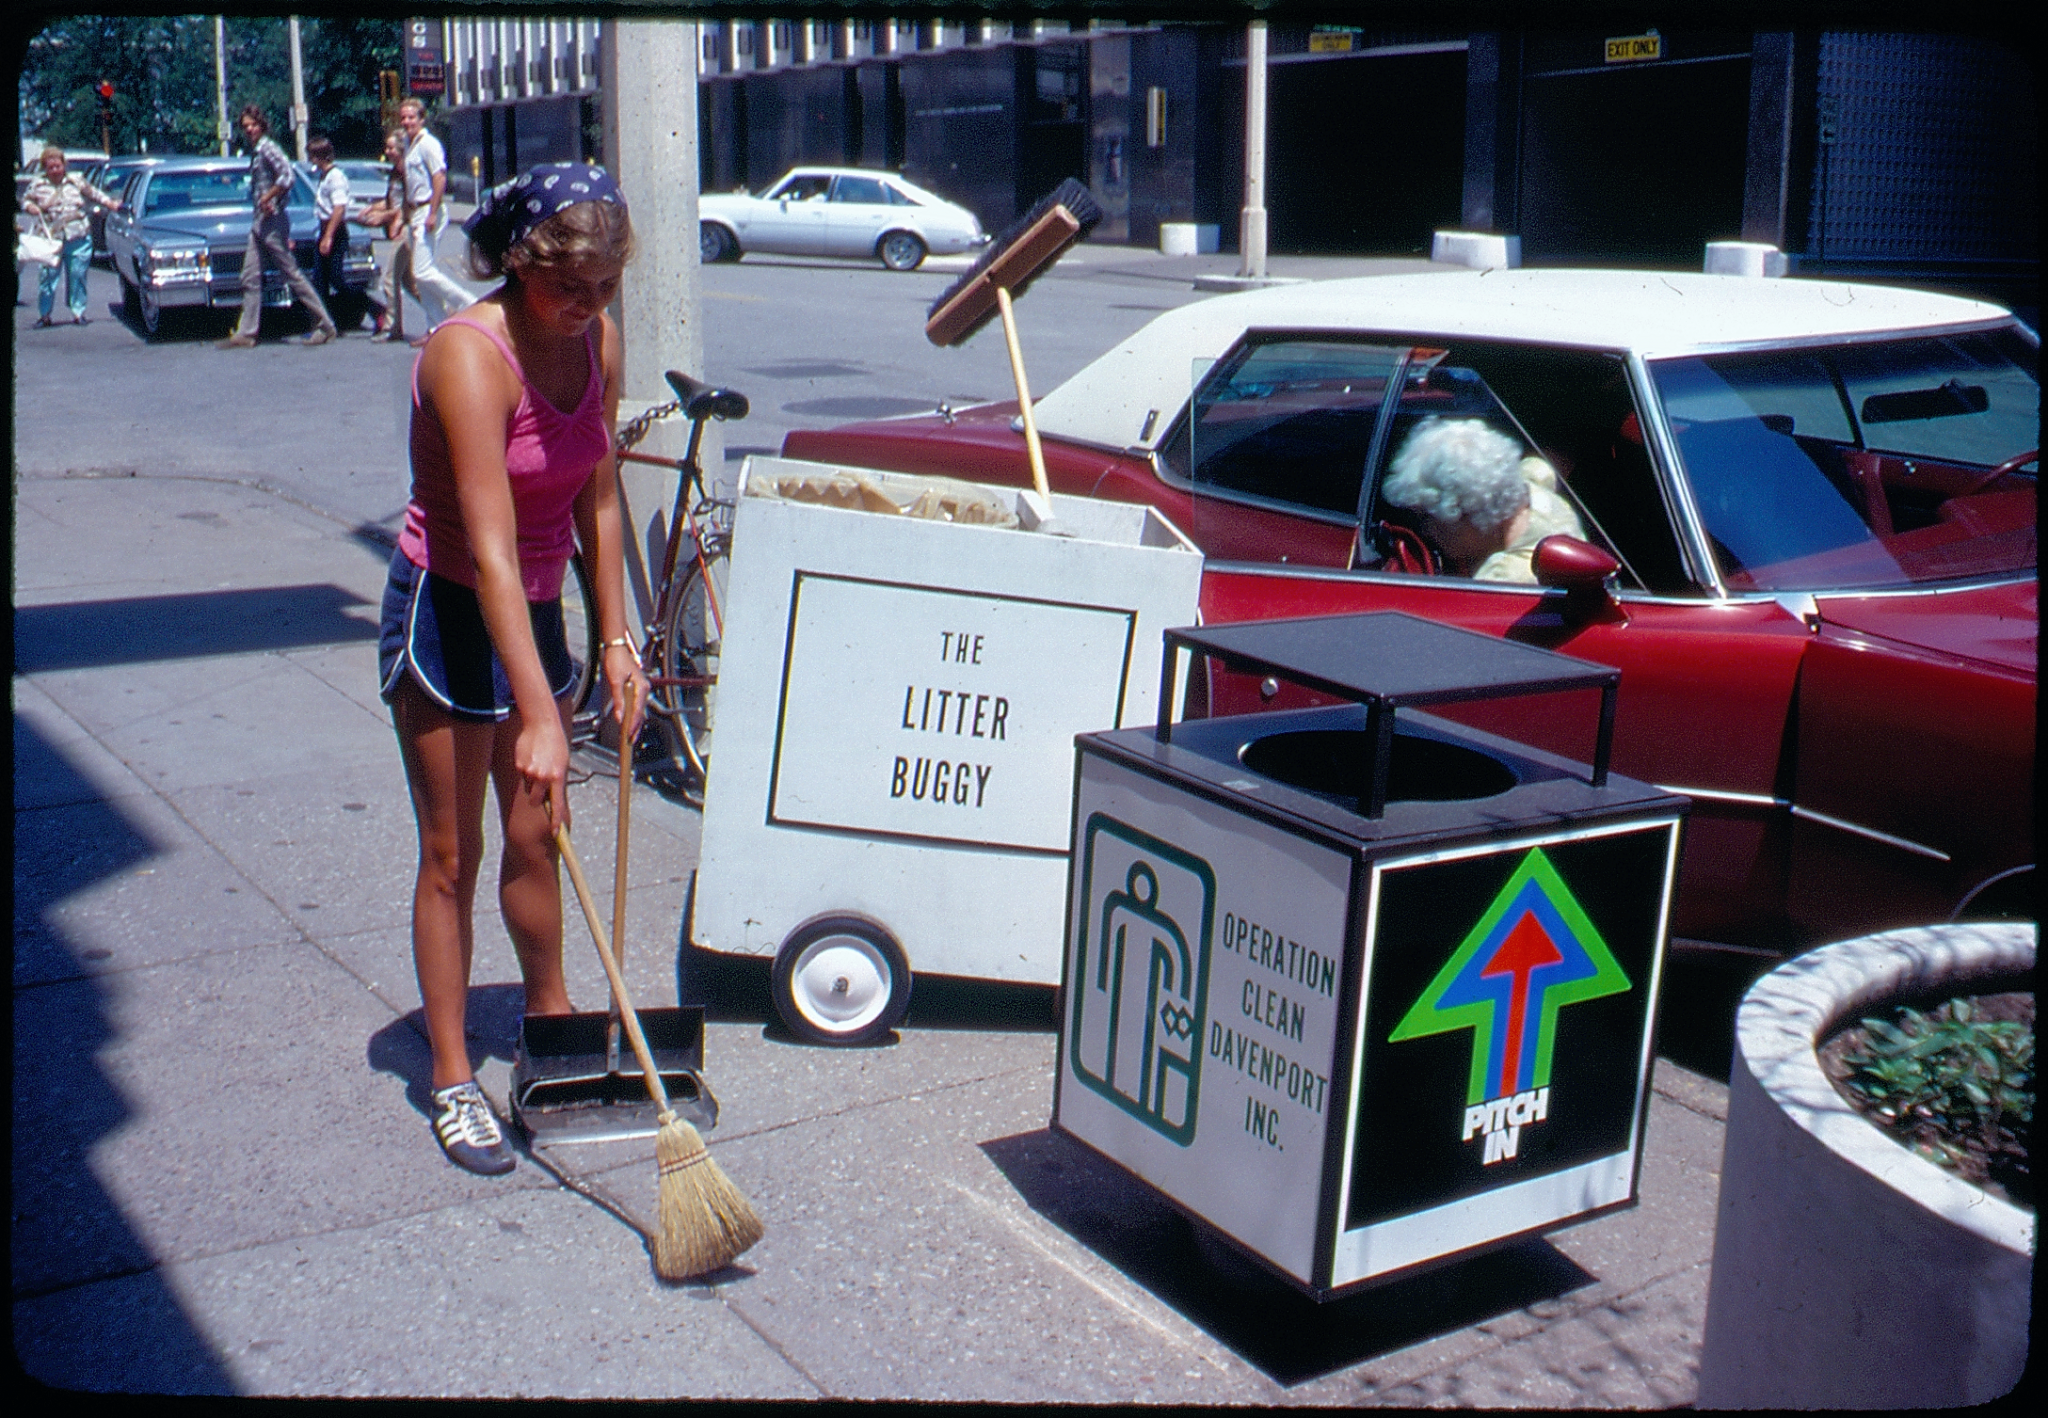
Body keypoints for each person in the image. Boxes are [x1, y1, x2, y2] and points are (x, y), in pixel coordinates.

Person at [378, 162, 647, 1174]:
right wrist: (539, 711)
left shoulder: (598, 340)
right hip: (450, 606)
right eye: (570, 287)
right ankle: (452, 1076)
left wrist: (615, 640)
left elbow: (599, 496)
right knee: (453, 853)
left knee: (541, 836)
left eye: (605, 287)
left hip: (533, 607)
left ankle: (552, 1025)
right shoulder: (467, 356)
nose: (588, 307)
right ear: (523, 265)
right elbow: (490, 551)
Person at [1378, 416, 1587, 583]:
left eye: (1429, 518)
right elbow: (1540, 466)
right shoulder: (1532, 488)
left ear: (1470, 513)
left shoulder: (1504, 579)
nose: (1426, 531)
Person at [217, 105, 337, 349]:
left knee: (291, 273)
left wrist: (269, 197)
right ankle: (246, 332)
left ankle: (325, 325)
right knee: (249, 276)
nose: (250, 129)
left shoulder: (268, 148)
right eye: (246, 126)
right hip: (259, 222)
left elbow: (287, 176)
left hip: (273, 222)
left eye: (254, 125)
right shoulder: (256, 151)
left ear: (262, 125)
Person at [397, 97, 476, 344]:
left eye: (411, 117)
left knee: (422, 270)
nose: (407, 122)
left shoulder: (428, 144)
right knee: (420, 275)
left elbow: (439, 177)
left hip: (428, 209)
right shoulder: (409, 144)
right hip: (415, 211)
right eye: (403, 118)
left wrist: (432, 213)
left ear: (421, 119)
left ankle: (468, 303)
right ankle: (436, 327)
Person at [20, 147, 122, 327]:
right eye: (50, 167)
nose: (55, 170)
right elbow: (25, 200)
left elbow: (94, 193)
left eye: (58, 166)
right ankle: (45, 315)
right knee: (48, 277)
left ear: (64, 165)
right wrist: (30, 207)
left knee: (78, 275)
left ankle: (78, 312)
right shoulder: (38, 184)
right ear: (45, 168)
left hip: (78, 235)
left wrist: (110, 203)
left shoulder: (76, 181)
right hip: (51, 238)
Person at [354, 130, 415, 342]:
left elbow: (406, 206)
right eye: (387, 147)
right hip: (399, 225)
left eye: (391, 148)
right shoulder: (395, 173)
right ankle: (443, 314)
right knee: (408, 281)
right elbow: (391, 202)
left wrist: (385, 218)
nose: (387, 151)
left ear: (401, 149)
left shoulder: (408, 172)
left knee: (390, 278)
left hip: (406, 227)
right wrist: (372, 208)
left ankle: (392, 327)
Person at [307, 136, 353, 321]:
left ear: (321, 156)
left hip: (335, 231)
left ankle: (371, 307)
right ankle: (324, 322)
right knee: (320, 280)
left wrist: (328, 237)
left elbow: (339, 208)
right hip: (324, 229)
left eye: (312, 156)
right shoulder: (324, 176)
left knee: (336, 278)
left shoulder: (335, 178)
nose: (311, 160)